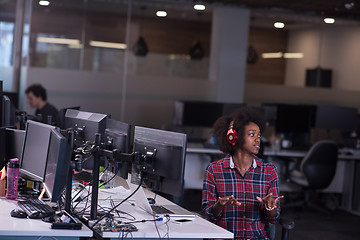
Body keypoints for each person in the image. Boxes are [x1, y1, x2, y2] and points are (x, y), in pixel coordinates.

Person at [202, 107, 283, 240]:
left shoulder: (269, 170)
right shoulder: (214, 170)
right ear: (235, 136)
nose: (258, 140)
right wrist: (220, 205)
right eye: (252, 135)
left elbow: (273, 218)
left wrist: (270, 207)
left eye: (259, 136)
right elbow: (209, 214)